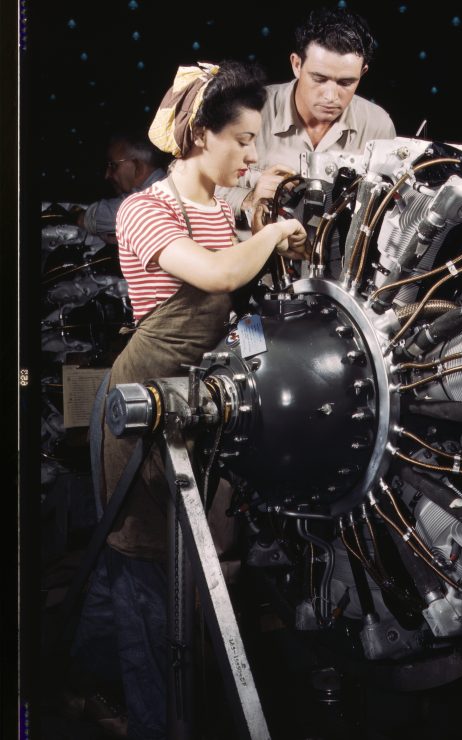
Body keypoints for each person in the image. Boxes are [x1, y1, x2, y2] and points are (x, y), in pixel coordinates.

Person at [71, 60, 307, 740]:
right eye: (244, 141)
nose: (253, 155)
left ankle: (100, 686)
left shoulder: (222, 213)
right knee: (143, 566)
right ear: (202, 135)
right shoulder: (146, 209)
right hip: (143, 402)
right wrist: (269, 235)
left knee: (165, 565)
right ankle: (150, 721)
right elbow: (215, 275)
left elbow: (238, 305)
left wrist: (261, 218)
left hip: (203, 403)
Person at [218, 6, 396, 226]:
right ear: (296, 64)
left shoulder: (378, 125)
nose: (331, 96)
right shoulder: (249, 110)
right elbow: (195, 183)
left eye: (345, 83)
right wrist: (248, 199)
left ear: (363, 72)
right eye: (319, 79)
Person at [76, 134, 167, 243]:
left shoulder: (145, 202)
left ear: (138, 167)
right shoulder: (165, 185)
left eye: (113, 166)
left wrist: (77, 214)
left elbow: (89, 218)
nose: (107, 175)